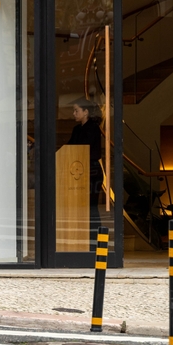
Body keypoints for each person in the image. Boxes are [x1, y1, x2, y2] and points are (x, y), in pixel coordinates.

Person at [67, 98, 104, 242]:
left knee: (91, 206)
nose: (74, 113)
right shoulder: (76, 129)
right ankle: (83, 238)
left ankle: (96, 239)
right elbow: (69, 148)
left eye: (76, 110)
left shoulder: (93, 128)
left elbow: (84, 148)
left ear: (86, 112)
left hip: (91, 171)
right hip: (79, 171)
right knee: (81, 206)